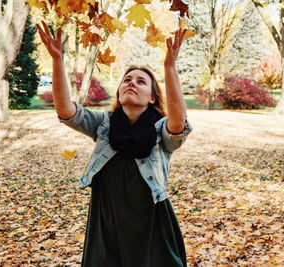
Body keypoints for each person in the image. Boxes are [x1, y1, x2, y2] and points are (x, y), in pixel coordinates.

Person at [36, 21, 193, 267]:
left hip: (150, 219)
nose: (131, 82)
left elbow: (177, 122)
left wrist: (169, 67)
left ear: (152, 98)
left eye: (141, 81)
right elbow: (66, 110)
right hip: (107, 218)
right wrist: (57, 60)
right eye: (127, 79)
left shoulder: (159, 130)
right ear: (119, 91)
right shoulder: (104, 124)